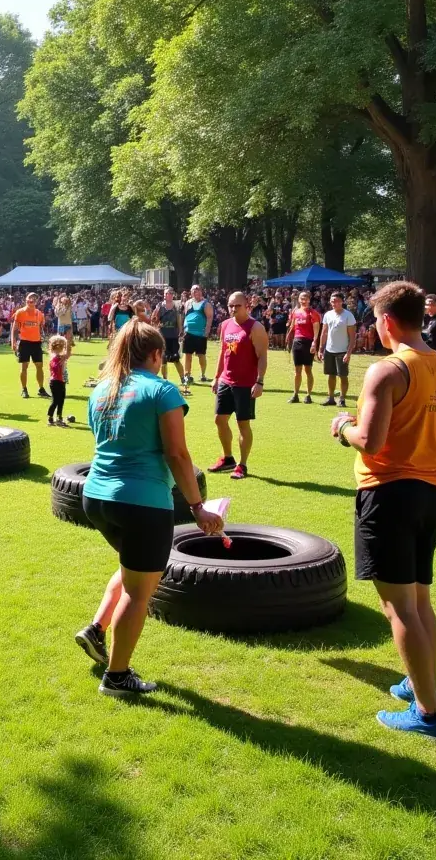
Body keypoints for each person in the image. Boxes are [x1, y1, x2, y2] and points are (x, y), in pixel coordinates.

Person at [330, 281, 436, 741]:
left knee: (398, 608)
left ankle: (428, 715)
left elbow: (370, 440)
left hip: (388, 494)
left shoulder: (387, 370)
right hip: (432, 493)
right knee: (420, 600)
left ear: (386, 321)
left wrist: (343, 424)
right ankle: (421, 683)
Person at [75, 319, 222, 698]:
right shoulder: (162, 390)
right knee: (140, 593)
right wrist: (198, 507)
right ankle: (117, 676)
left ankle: (96, 628)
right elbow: (176, 453)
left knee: (132, 567)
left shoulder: (101, 389)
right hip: (142, 501)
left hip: (96, 497)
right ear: (157, 354)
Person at [209, 292, 268, 480]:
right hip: (226, 380)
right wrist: (217, 376)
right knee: (219, 420)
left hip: (245, 384)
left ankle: (242, 465)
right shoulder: (225, 325)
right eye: (230, 305)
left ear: (246, 306)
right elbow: (222, 352)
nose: (233, 309)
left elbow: (262, 356)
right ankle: (228, 459)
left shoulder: (255, 327)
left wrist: (260, 381)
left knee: (243, 424)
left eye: (237, 306)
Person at [319, 292, 357, 407]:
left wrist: (348, 353)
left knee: (343, 375)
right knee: (331, 374)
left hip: (342, 351)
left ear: (342, 301)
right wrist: (321, 349)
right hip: (330, 350)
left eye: (336, 301)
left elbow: (352, 336)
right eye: (332, 301)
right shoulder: (328, 315)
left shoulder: (348, 315)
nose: (334, 303)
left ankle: (342, 398)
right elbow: (324, 332)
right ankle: (331, 397)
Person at [11, 292, 49, 399]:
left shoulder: (39, 314)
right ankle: (24, 389)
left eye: (32, 299)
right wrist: (13, 341)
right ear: (26, 299)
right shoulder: (20, 312)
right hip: (24, 342)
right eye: (28, 298)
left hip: (36, 343)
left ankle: (41, 389)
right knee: (24, 366)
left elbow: (42, 327)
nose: (30, 300)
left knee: (39, 366)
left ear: (36, 301)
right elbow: (14, 329)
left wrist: (43, 337)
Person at [286, 290, 321, 404]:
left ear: (309, 300)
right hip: (297, 341)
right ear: (299, 300)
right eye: (301, 298)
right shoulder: (295, 312)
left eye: (305, 298)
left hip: (308, 342)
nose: (303, 300)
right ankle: (295, 394)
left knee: (308, 370)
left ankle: (308, 395)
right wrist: (288, 336)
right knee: (297, 371)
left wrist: (314, 343)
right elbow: (293, 325)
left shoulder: (313, 313)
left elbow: (316, 330)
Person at [151, 288, 187, 394]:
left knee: (176, 358)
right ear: (164, 295)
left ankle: (183, 379)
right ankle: (165, 379)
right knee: (163, 359)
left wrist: (180, 332)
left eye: (171, 293)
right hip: (162, 336)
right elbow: (153, 318)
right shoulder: (160, 306)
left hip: (173, 336)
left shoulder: (176, 306)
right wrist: (158, 325)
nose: (169, 295)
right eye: (167, 293)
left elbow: (179, 320)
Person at [181, 285, 213, 386]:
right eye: (194, 291)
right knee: (187, 355)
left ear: (201, 292)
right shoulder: (188, 303)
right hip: (188, 333)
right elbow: (185, 316)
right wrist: (183, 329)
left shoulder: (206, 304)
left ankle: (203, 374)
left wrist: (207, 331)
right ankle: (187, 374)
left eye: (198, 290)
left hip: (200, 334)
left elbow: (209, 318)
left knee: (201, 355)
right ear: (191, 293)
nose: (196, 293)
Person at [46, 335, 71, 426]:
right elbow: (55, 368)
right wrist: (61, 362)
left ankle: (59, 416)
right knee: (55, 400)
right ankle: (50, 417)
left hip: (61, 381)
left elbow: (68, 352)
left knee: (61, 400)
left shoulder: (62, 357)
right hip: (55, 382)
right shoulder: (55, 358)